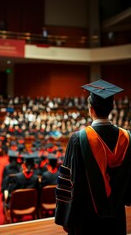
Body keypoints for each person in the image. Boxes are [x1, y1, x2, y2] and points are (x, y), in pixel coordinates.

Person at [54, 79, 131, 235]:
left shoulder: (78, 139)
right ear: (112, 108)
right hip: (116, 216)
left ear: (90, 109)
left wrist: (67, 217)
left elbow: (70, 182)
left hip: (86, 218)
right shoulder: (127, 137)